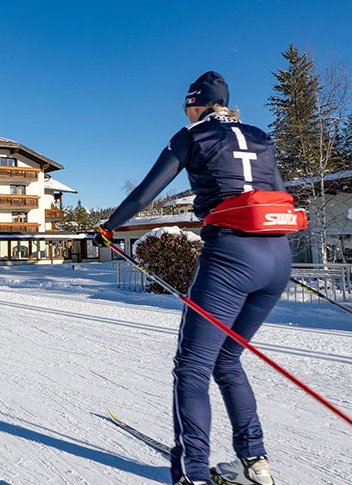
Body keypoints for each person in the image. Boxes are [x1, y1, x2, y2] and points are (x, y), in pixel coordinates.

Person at [94, 71, 292, 485]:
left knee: (192, 367)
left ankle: (192, 474)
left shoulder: (192, 135)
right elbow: (276, 193)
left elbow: (144, 194)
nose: (185, 112)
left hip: (231, 257)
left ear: (196, 104)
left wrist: (110, 226)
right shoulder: (260, 136)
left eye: (187, 105)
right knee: (228, 360)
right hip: (276, 257)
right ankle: (254, 463)